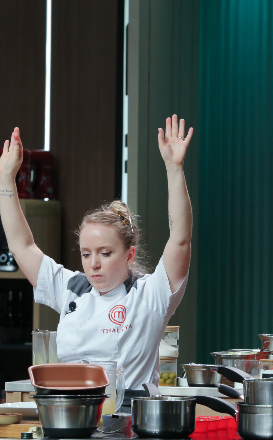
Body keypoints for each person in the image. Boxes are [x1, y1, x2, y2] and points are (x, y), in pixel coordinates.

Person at [0, 115, 193, 389]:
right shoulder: (70, 287)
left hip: (128, 420)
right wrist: (6, 180)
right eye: (86, 254)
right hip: (70, 413)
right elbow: (22, 246)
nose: (94, 265)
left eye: (105, 253)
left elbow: (181, 240)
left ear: (129, 255)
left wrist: (174, 168)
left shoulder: (150, 295)